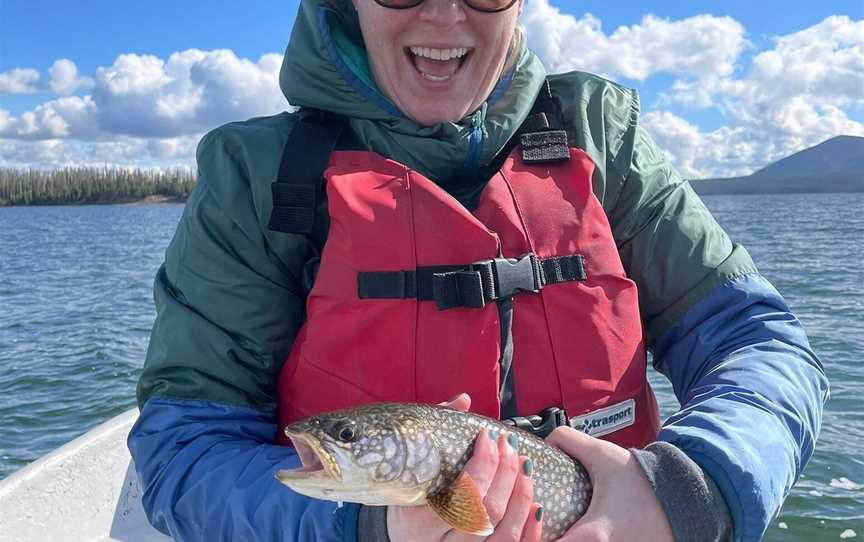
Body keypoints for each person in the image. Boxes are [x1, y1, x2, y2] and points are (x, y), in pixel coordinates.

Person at [127, 0, 828, 541]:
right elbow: (182, 447)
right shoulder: (256, 180)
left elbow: (759, 341)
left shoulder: (603, 137)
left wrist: (688, 486)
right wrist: (368, 527)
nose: (442, 14)